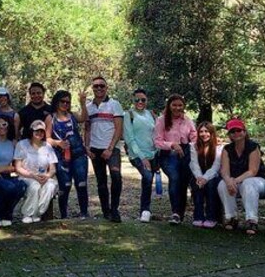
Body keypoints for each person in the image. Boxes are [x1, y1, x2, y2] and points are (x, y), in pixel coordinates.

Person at [217, 118, 265, 235]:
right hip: (237, 182)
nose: (236, 133)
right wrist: (228, 181)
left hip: (258, 181)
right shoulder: (227, 149)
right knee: (222, 184)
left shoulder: (253, 147)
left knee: (248, 183)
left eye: (238, 130)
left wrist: (234, 181)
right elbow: (224, 171)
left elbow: (253, 171)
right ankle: (232, 217)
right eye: (232, 131)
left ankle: (252, 220)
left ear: (244, 132)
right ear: (229, 135)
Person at [45, 89, 90, 219]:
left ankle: (84, 213)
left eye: (68, 102)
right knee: (65, 186)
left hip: (78, 154)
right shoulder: (51, 118)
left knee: (81, 184)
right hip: (61, 156)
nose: (65, 104)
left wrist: (82, 103)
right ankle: (64, 215)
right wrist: (58, 143)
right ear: (56, 102)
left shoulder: (72, 115)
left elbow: (84, 118)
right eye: (62, 101)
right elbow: (47, 139)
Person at [154, 94, 198, 225]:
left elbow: (194, 134)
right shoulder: (162, 120)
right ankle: (175, 212)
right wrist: (172, 144)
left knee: (184, 182)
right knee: (175, 178)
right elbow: (157, 141)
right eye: (174, 105)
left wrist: (195, 143)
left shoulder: (187, 120)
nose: (177, 108)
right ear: (169, 106)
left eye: (180, 105)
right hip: (168, 155)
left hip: (185, 153)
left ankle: (180, 213)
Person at [85, 76, 125, 222]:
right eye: (96, 86)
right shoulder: (89, 107)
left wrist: (110, 148)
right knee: (101, 181)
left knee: (116, 177)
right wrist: (87, 147)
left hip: (111, 148)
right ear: (92, 88)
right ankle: (105, 210)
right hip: (95, 148)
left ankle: (114, 209)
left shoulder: (115, 105)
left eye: (102, 86)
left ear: (107, 87)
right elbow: (87, 129)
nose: (99, 88)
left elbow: (119, 128)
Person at [123, 88, 157, 223]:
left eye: (143, 99)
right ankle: (145, 210)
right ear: (133, 100)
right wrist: (142, 157)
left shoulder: (150, 114)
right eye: (137, 99)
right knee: (147, 177)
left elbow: (156, 133)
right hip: (137, 155)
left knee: (148, 181)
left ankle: (147, 208)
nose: (140, 102)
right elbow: (129, 138)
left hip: (153, 154)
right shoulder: (129, 115)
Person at [14, 120, 59, 223]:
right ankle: (28, 213)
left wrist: (47, 176)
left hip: (43, 177)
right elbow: (18, 167)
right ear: (31, 131)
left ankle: (38, 212)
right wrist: (33, 176)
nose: (39, 133)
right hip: (26, 176)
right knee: (35, 186)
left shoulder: (47, 146)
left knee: (50, 186)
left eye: (41, 131)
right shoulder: (22, 145)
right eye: (36, 131)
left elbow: (53, 168)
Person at [189, 122, 223, 228]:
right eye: (201, 132)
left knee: (211, 185)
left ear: (212, 133)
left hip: (214, 175)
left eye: (207, 131)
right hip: (198, 175)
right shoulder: (193, 146)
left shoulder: (219, 147)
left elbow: (216, 166)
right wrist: (199, 177)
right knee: (196, 185)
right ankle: (198, 216)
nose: (204, 134)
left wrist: (205, 178)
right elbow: (193, 163)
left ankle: (211, 217)